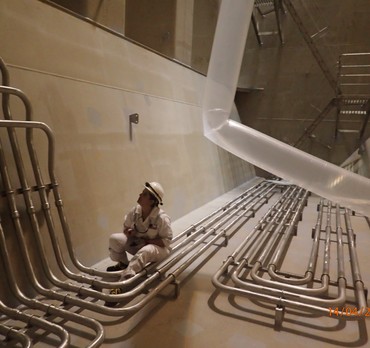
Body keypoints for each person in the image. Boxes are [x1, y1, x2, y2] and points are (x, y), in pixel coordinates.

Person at [106, 181, 173, 282]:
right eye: (142, 192)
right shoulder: (135, 211)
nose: (140, 194)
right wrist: (128, 232)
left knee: (146, 250)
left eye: (144, 194)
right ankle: (123, 264)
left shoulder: (162, 218)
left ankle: (123, 281)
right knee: (114, 239)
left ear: (152, 201)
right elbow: (126, 227)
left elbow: (166, 241)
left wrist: (147, 242)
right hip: (138, 244)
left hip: (159, 249)